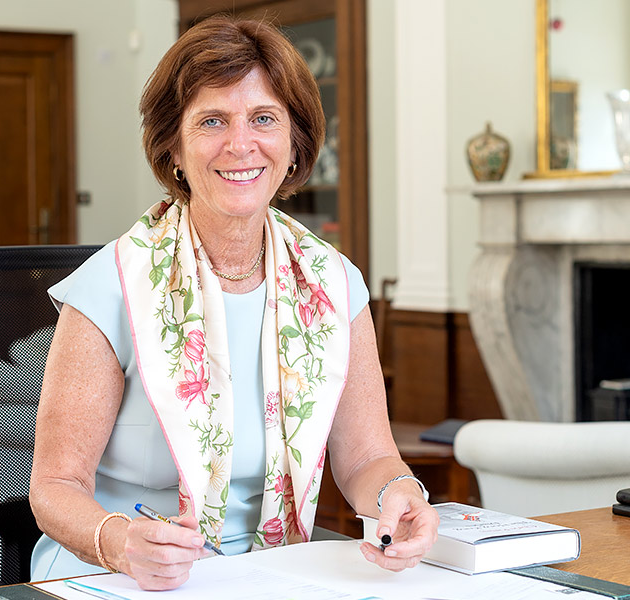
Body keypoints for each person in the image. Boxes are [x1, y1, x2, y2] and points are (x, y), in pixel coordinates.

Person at [29, 15, 438, 591]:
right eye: (212, 121)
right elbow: (54, 487)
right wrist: (121, 543)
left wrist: (401, 496)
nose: (240, 144)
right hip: (123, 570)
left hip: (274, 566)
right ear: (173, 145)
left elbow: (368, 457)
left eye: (264, 119)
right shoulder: (112, 284)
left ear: (294, 143)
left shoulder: (333, 282)